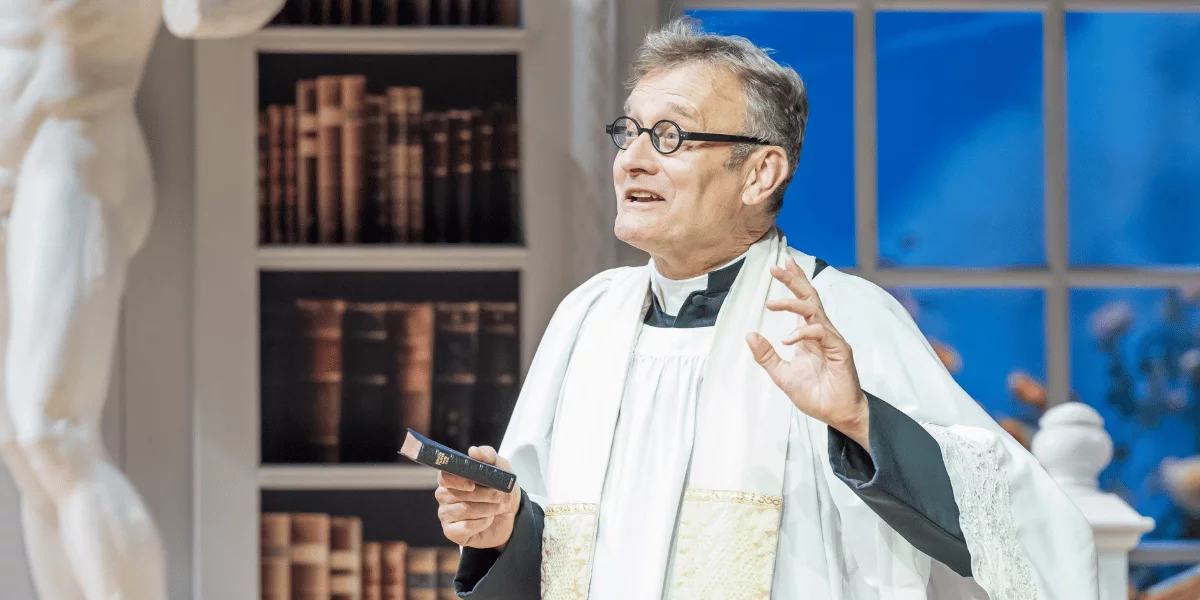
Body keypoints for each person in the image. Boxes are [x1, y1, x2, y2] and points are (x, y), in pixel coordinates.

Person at [434, 17, 1099, 600]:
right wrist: (503, 530)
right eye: (627, 132)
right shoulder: (587, 318)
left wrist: (861, 422)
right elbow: (565, 560)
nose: (631, 160)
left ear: (760, 174)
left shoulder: (839, 317)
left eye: (669, 136)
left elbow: (1038, 533)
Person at [0, 0, 282, 596]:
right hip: (10, 175)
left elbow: (208, 14)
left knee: (52, 432)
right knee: (21, 450)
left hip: (73, 146)